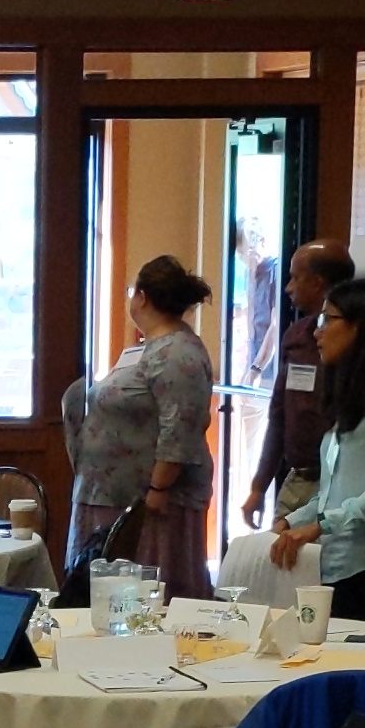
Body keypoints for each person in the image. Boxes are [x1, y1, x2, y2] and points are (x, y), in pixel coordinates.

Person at [267, 271, 365, 620]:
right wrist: (291, 522)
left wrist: (320, 526)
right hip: (336, 563)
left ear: (359, 326)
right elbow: (334, 493)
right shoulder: (356, 391)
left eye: (327, 319)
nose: (317, 331)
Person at [66, 256, 216, 598]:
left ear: (143, 297)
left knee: (144, 601)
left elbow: (179, 425)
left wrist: (159, 487)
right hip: (111, 494)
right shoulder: (150, 348)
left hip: (148, 505)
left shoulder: (177, 353)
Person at [240, 241, 346, 529]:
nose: (288, 288)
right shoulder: (296, 337)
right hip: (297, 480)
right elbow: (279, 415)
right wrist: (259, 487)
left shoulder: (357, 344)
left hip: (341, 486)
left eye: (295, 278)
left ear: (318, 282)